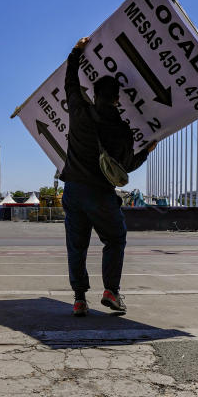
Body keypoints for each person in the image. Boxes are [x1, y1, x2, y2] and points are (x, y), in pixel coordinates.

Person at [60, 36, 157, 316]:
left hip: (73, 191)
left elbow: (69, 81)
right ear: (117, 98)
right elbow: (127, 168)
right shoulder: (123, 131)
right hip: (100, 194)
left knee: (76, 246)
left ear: (93, 92)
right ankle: (111, 292)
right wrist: (147, 150)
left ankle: (79, 298)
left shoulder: (78, 111)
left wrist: (76, 51)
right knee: (114, 239)